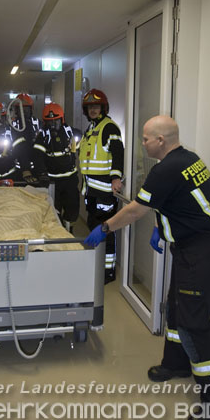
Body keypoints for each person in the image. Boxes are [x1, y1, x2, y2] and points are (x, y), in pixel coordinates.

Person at [83, 115, 210, 420]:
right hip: (191, 245)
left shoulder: (166, 169)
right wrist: (161, 229)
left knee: (196, 324)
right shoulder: (188, 158)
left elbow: (137, 208)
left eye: (145, 139)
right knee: (176, 310)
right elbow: (173, 203)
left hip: (201, 251)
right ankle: (176, 364)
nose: (143, 144)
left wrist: (106, 226)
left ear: (161, 141)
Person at [78, 88, 124, 282]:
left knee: (106, 229)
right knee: (94, 226)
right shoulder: (90, 129)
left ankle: (107, 271)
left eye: (96, 107)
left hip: (104, 192)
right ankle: (98, 265)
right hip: (92, 191)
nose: (93, 111)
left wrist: (116, 178)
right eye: (90, 108)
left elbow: (117, 154)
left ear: (103, 108)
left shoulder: (109, 127)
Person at [33, 102, 80, 230]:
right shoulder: (42, 138)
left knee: (73, 208)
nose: (53, 125)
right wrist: (42, 174)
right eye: (50, 122)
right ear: (44, 123)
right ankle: (58, 232)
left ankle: (69, 228)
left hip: (70, 180)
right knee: (54, 210)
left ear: (62, 119)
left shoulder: (72, 133)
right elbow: (37, 157)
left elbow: (85, 147)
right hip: (53, 182)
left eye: (56, 121)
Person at [10, 93, 40, 184]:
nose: (24, 112)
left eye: (26, 109)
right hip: (18, 169)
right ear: (16, 110)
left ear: (31, 109)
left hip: (37, 167)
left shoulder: (38, 123)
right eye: (20, 109)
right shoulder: (12, 125)